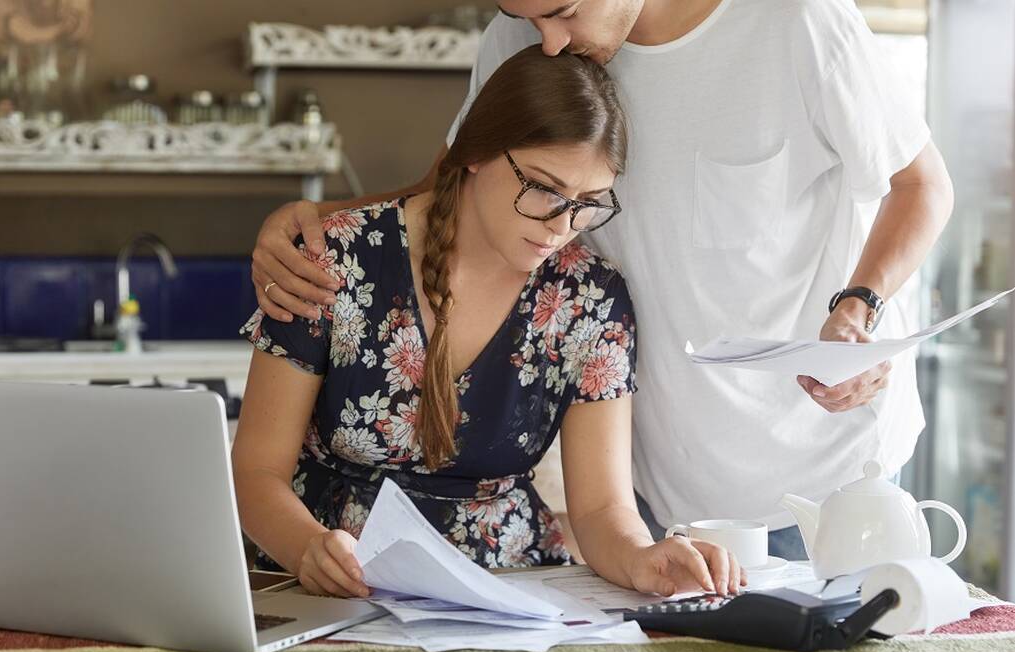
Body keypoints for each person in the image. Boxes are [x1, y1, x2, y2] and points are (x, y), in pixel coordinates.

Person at [249, 0, 954, 560]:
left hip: (821, 471)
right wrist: (304, 221)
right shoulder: (523, 34)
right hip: (653, 486)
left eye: (560, 11)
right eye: (529, 19)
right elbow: (452, 185)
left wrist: (859, 310)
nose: (548, 42)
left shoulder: (794, 20)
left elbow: (921, 185)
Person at [232, 46, 744, 600]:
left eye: (589, 203)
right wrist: (308, 548)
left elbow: (601, 508)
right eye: (544, 189)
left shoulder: (592, 299)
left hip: (511, 591)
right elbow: (255, 473)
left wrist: (642, 557)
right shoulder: (336, 259)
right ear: (476, 152)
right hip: (330, 584)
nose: (562, 225)